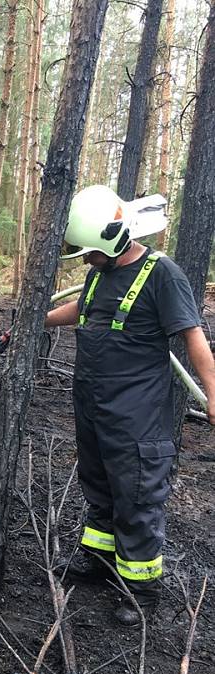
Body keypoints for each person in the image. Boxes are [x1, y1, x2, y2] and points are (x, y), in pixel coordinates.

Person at [46, 185, 215, 627]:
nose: (85, 260)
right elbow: (84, 307)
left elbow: (192, 336)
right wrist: (36, 319)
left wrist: (213, 392)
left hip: (138, 414)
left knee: (137, 494)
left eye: (89, 253)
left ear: (113, 238)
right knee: (98, 484)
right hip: (94, 404)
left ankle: (141, 589)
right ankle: (100, 562)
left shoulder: (162, 274)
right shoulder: (100, 272)